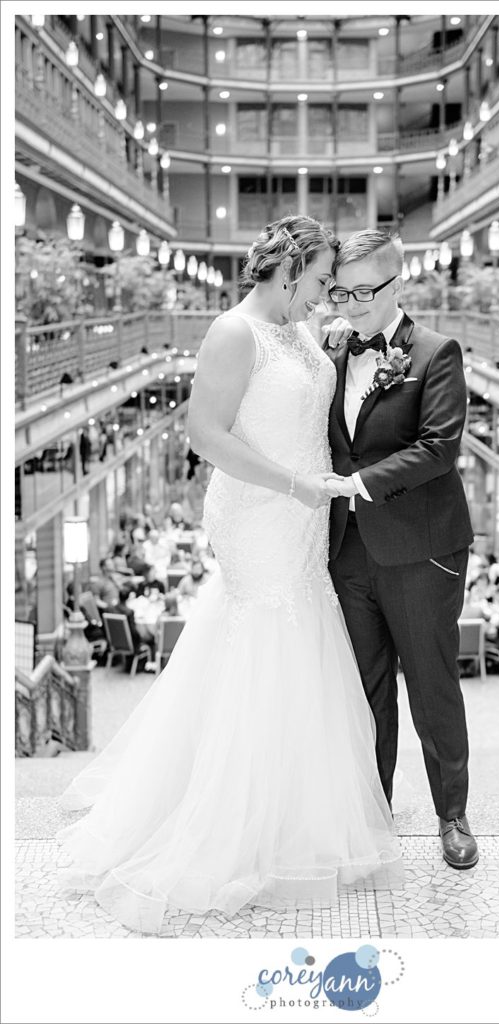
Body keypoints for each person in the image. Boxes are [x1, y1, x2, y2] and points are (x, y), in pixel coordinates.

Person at [57, 215, 402, 934]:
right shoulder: (232, 333)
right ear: (289, 269)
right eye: (317, 283)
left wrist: (339, 343)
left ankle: (291, 820)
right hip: (259, 510)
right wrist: (290, 485)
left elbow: (312, 400)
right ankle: (234, 827)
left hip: (304, 515)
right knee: (264, 638)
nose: (323, 296)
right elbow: (204, 434)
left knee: (302, 641)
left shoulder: (303, 332)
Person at [323, 230, 478, 870]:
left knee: (432, 686)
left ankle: (453, 816)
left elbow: (439, 447)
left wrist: (358, 483)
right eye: (342, 291)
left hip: (420, 549)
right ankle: (374, 814)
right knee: (366, 692)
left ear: (397, 285)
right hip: (347, 551)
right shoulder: (331, 355)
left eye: (366, 291)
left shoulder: (438, 353)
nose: (352, 304)